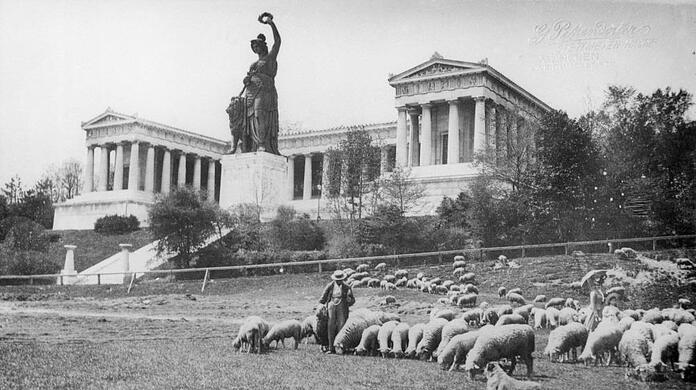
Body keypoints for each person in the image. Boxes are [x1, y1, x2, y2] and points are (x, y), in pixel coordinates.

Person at [243, 12, 281, 155]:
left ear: (263, 46)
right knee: (251, 117)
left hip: (266, 91)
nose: (255, 49)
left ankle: (262, 144)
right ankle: (253, 144)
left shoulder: (270, 58)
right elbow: (248, 81)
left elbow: (278, 41)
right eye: (254, 47)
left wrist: (270, 23)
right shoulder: (253, 65)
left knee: (260, 114)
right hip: (252, 93)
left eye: (257, 46)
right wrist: (246, 81)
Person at [319, 270, 355, 354]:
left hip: (342, 305)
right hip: (331, 304)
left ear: (343, 279)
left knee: (342, 325)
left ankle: (341, 347)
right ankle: (331, 348)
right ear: (334, 279)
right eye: (337, 280)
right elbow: (323, 297)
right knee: (330, 325)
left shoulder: (347, 287)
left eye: (340, 280)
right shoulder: (330, 286)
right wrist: (321, 305)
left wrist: (349, 300)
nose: (338, 281)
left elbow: (352, 300)